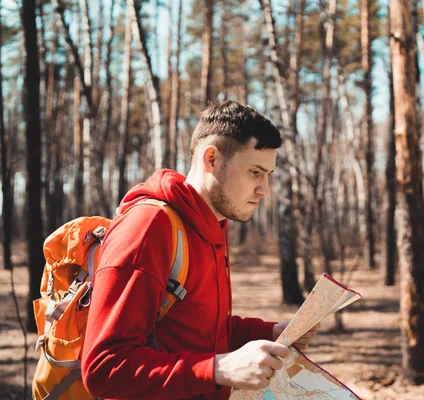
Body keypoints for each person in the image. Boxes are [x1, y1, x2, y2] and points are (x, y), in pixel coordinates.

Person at [81, 101, 317, 400]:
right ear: (211, 160)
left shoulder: (213, 224)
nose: (264, 189)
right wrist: (219, 370)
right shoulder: (149, 227)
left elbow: (198, 329)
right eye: (255, 172)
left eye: (267, 174)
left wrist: (269, 333)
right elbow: (104, 368)